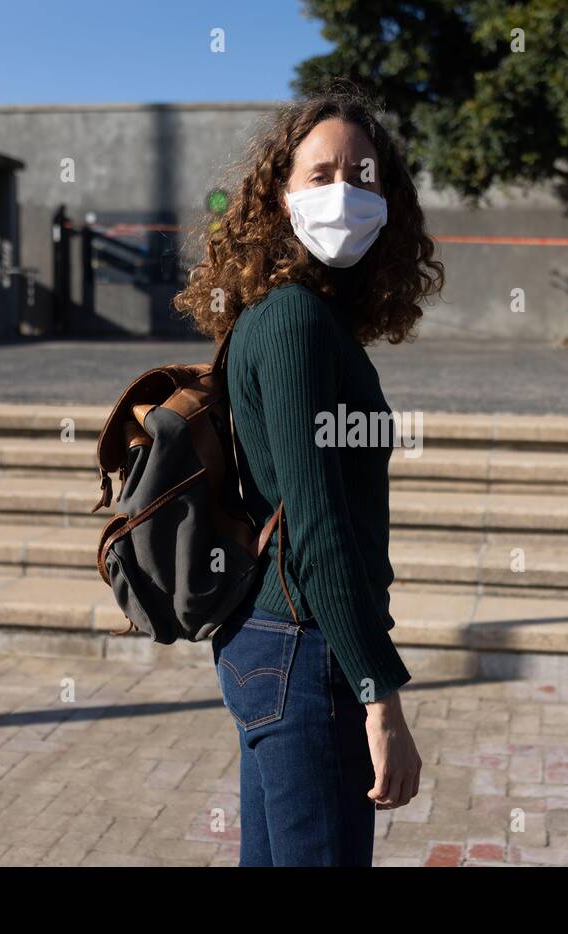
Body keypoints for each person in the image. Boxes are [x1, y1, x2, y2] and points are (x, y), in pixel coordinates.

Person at [173, 87, 444, 866]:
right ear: (279, 195)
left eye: (363, 176)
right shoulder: (292, 322)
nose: (344, 193)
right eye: (321, 175)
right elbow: (318, 527)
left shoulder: (295, 318)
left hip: (276, 644)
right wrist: (378, 693)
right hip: (303, 649)